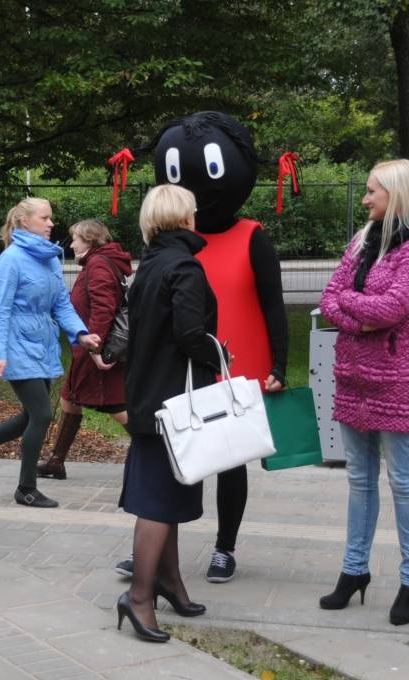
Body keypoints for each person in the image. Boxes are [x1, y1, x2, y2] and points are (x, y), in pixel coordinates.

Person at [112, 111, 290, 583]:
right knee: (177, 459)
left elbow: (274, 306)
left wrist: (280, 363)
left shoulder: (252, 237)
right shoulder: (172, 253)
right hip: (187, 364)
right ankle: (157, 555)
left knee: (230, 460)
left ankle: (223, 548)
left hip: (233, 368)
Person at [318, 159, 409, 627]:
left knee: (404, 482)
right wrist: (362, 314)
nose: (366, 197)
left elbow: (392, 308)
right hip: (352, 375)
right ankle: (355, 571)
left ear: (396, 195)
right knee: (359, 477)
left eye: (373, 191)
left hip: (398, 378)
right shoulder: (361, 242)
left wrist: (356, 310)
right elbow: (328, 299)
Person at [116, 183, 222, 643]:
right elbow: (189, 332)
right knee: (159, 501)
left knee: (168, 496)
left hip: (148, 397)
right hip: (176, 406)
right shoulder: (185, 267)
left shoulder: (151, 265)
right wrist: (217, 351)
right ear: (185, 219)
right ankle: (139, 598)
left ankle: (168, 582)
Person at [0, 198, 101, 508]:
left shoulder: (49, 258)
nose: (51, 224)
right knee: (43, 414)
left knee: (30, 417)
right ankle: (26, 488)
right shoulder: (10, 260)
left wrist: (80, 333)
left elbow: (61, 303)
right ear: (25, 222)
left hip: (42, 344)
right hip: (15, 344)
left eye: (51, 218)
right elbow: (1, 310)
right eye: (45, 218)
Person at [36, 219, 132, 480]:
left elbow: (103, 308)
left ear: (90, 240)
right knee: (70, 398)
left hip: (96, 349)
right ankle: (56, 461)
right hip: (89, 347)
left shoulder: (99, 264)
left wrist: (95, 348)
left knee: (114, 405)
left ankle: (156, 453)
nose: (73, 243)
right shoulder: (99, 261)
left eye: (76, 238)